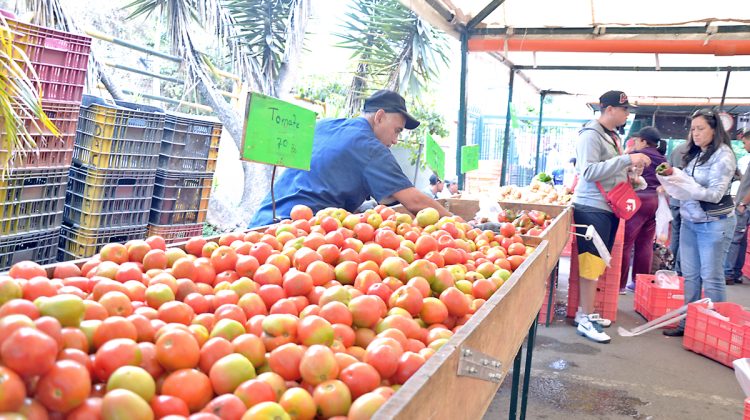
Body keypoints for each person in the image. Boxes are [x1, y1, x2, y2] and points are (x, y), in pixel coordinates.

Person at [249, 90, 451, 227]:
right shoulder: (370, 147)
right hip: (297, 232)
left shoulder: (323, 125)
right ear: (379, 116)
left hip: (260, 224)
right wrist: (460, 224)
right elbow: (414, 201)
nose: (395, 140)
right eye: (397, 131)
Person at [571, 90, 652, 344]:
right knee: (591, 262)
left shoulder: (611, 135)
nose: (627, 114)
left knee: (597, 262)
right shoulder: (591, 135)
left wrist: (630, 173)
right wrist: (627, 159)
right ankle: (584, 318)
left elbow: (607, 171)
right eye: (624, 109)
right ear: (608, 110)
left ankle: (587, 312)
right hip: (591, 207)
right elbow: (588, 171)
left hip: (607, 207)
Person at [662, 108, 737, 337]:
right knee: (690, 276)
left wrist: (689, 188)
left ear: (715, 130)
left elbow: (715, 194)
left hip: (714, 224)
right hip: (689, 222)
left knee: (711, 277)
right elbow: (688, 183)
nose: (695, 133)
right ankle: (688, 324)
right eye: (693, 129)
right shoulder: (695, 154)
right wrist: (673, 179)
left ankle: (716, 330)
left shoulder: (724, 156)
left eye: (701, 128)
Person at [619, 127, 667, 294]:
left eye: (638, 140)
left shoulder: (638, 157)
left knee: (626, 243)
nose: (637, 143)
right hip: (655, 201)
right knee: (645, 243)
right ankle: (639, 284)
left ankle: (620, 284)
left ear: (644, 141)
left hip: (637, 201)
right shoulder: (663, 158)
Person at [724, 129, 750, 285]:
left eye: (745, 142)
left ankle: (728, 273)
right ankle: (736, 273)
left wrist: (742, 203)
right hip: (744, 205)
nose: (744, 145)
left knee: (735, 239)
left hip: (745, 206)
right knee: (741, 240)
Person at [666, 141, 689, 275]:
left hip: (675, 200)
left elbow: (667, 172)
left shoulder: (677, 149)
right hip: (688, 201)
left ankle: (670, 265)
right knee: (685, 236)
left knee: (675, 234)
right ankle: (679, 269)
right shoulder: (698, 151)